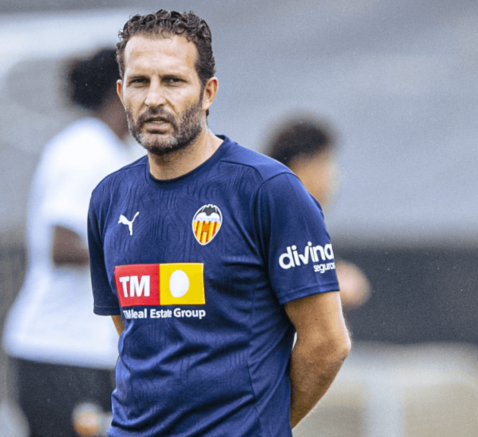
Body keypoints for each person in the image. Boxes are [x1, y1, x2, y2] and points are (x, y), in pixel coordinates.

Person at [87, 10, 351, 436]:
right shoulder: (108, 198)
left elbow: (326, 344)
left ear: (208, 92)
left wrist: (259, 425)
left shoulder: (269, 190)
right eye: (140, 82)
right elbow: (134, 333)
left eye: (172, 81)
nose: (154, 98)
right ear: (121, 92)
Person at [3, 48, 142, 436]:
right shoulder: (83, 149)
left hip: (95, 351)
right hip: (57, 351)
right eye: (143, 83)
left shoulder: (121, 151)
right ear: (120, 90)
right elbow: (61, 247)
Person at [264, 117, 371, 310]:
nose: (333, 174)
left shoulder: (295, 220)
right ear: (303, 167)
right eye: (326, 162)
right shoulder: (275, 220)